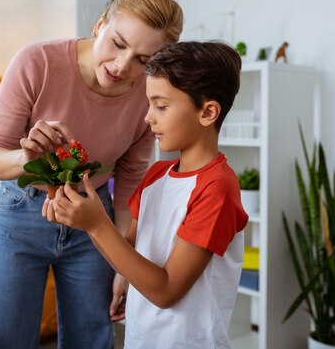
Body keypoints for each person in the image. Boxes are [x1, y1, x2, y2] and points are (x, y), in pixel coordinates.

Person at [0, 0, 183, 349]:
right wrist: (24, 159)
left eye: (143, 60)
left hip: (94, 218)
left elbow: (130, 184)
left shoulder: (146, 94)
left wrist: (124, 265)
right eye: (118, 43)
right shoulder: (37, 62)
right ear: (100, 24)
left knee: (91, 339)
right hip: (21, 211)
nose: (122, 66)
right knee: (5, 340)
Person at [49, 41, 250, 348]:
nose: (148, 117)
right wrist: (77, 213)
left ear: (208, 112)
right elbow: (127, 250)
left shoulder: (218, 188)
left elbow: (167, 290)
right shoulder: (157, 175)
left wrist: (96, 223)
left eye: (161, 105)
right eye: (148, 104)